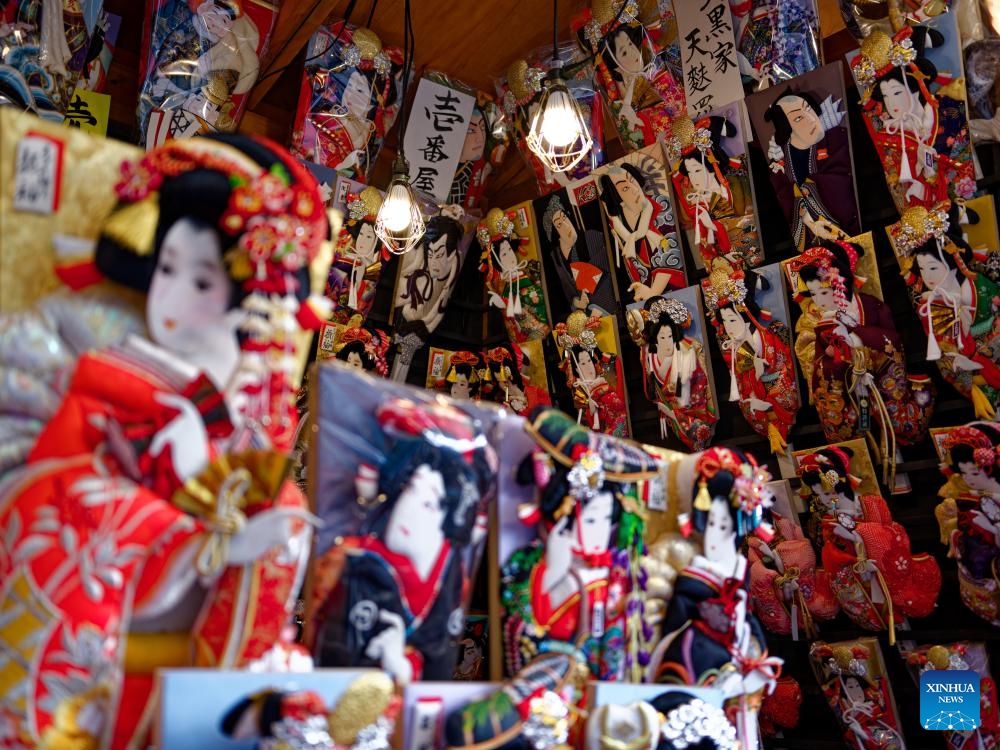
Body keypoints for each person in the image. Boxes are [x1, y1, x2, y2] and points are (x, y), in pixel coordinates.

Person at [0, 134, 330, 748]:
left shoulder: (244, 397)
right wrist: (204, 546)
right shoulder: (106, 367)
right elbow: (63, 495)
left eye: (202, 282)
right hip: (97, 648)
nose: (171, 301)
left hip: (184, 661)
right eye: (168, 269)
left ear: (243, 294)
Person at [311, 399, 491, 683]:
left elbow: (439, 657)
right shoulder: (358, 561)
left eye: (430, 504)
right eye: (410, 490)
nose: (407, 511)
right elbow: (334, 652)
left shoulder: (452, 577)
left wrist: (405, 664)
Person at [501, 410, 650, 681]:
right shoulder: (529, 567)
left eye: (607, 519)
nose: (600, 531)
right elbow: (523, 632)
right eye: (592, 519)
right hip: (554, 679)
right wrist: (554, 572)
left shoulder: (614, 573)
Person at [650, 447, 780, 750]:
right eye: (710, 525)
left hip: (736, 656)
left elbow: (745, 616)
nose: (715, 536)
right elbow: (676, 628)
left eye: (724, 527)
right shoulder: (693, 576)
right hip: (697, 655)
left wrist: (754, 656)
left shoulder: (737, 568)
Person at [792, 240, 934, 448]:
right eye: (813, 294)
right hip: (846, 388)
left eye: (824, 292)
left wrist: (859, 338)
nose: (819, 301)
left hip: (880, 382)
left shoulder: (870, 305)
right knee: (845, 422)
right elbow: (818, 364)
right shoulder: (818, 320)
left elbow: (892, 340)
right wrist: (838, 362)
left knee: (899, 418)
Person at [797, 447, 941, 638]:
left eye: (829, 492)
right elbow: (830, 555)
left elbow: (894, 536)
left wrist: (858, 535)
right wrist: (853, 563)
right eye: (820, 495)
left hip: (880, 570)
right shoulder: (826, 518)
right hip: (852, 576)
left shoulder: (872, 504)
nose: (827, 499)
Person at [894, 205, 1000, 417]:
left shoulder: (978, 285)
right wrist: (972, 385)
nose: (928, 276)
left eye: (933, 267)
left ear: (951, 262)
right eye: (922, 269)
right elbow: (944, 356)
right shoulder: (930, 306)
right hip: (973, 376)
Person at [143, 0, 262, 144]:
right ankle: (149, 145)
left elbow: (214, 84)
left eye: (224, 20)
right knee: (156, 118)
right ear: (205, 8)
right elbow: (165, 44)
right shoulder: (187, 25)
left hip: (188, 95)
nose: (216, 22)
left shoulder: (222, 50)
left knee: (179, 126)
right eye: (214, 13)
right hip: (165, 81)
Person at [705, 269, 798, 452]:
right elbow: (740, 380)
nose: (728, 328)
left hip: (774, 399)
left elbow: (782, 370)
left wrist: (762, 378)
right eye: (724, 322)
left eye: (732, 320)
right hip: (753, 405)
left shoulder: (767, 339)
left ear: (745, 316)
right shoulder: (733, 348)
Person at [762, 88, 859, 249]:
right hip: (814, 239)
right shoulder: (779, 161)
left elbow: (842, 179)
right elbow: (785, 196)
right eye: (799, 118)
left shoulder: (835, 138)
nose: (811, 118)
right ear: (785, 127)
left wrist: (808, 189)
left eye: (808, 108)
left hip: (849, 228)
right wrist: (809, 220)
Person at [671, 117, 761, 275]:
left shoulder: (731, 185)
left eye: (697, 170)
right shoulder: (697, 202)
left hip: (744, 246)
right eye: (690, 173)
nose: (693, 178)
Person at [631, 296, 717, 450]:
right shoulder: (646, 354)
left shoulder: (689, 347)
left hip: (691, 408)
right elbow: (654, 386)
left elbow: (701, 383)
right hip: (672, 412)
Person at [935, 422, 1000, 626]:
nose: (969, 480)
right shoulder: (971, 496)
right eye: (963, 474)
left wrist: (989, 527)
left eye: (974, 473)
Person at [391, 212, 465, 381]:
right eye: (430, 254)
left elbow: (434, 314)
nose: (433, 262)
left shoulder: (449, 280)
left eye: (439, 255)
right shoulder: (417, 273)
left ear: (452, 255)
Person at [599, 163, 684, 302]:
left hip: (674, 290)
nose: (634, 189)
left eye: (632, 180)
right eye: (625, 188)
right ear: (617, 198)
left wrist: (653, 293)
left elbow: (670, 251)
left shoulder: (660, 204)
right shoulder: (618, 227)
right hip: (644, 295)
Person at [540, 194, 616, 318]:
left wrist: (588, 284)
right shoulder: (556, 257)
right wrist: (578, 302)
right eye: (558, 224)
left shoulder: (591, 237)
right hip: (583, 315)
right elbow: (567, 292)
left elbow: (608, 264)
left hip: (605, 305)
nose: (565, 225)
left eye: (564, 217)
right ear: (554, 232)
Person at [325, 187, 384, 324]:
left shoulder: (375, 258)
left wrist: (358, 315)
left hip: (349, 315)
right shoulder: (343, 237)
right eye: (362, 234)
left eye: (369, 236)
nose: (363, 239)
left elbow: (369, 290)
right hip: (327, 303)